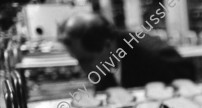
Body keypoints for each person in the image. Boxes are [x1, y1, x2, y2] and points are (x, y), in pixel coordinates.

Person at [58, 13, 194, 90]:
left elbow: (189, 91)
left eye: (85, 60)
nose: (83, 69)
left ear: (107, 45)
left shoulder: (156, 57)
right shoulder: (106, 57)